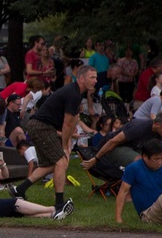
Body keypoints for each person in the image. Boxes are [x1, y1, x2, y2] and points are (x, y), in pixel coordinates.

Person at [9, 65, 98, 215]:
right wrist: (65, 146)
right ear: (81, 78)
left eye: (96, 77)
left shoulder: (77, 93)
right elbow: (67, 123)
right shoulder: (73, 93)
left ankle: (19, 189)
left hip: (42, 126)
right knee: (61, 161)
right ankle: (59, 205)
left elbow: (73, 119)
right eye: (92, 77)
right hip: (41, 127)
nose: (95, 80)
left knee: (51, 165)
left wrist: (68, 142)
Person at [0, 138, 72, 219]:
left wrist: (3, 165)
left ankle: (53, 215)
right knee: (15, 203)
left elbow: (4, 175)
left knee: (17, 212)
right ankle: (54, 209)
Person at [84, 113, 162, 171]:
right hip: (114, 148)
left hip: (134, 148)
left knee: (157, 160)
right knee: (141, 162)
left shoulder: (160, 133)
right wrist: (96, 158)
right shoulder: (139, 127)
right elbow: (113, 141)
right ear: (157, 124)